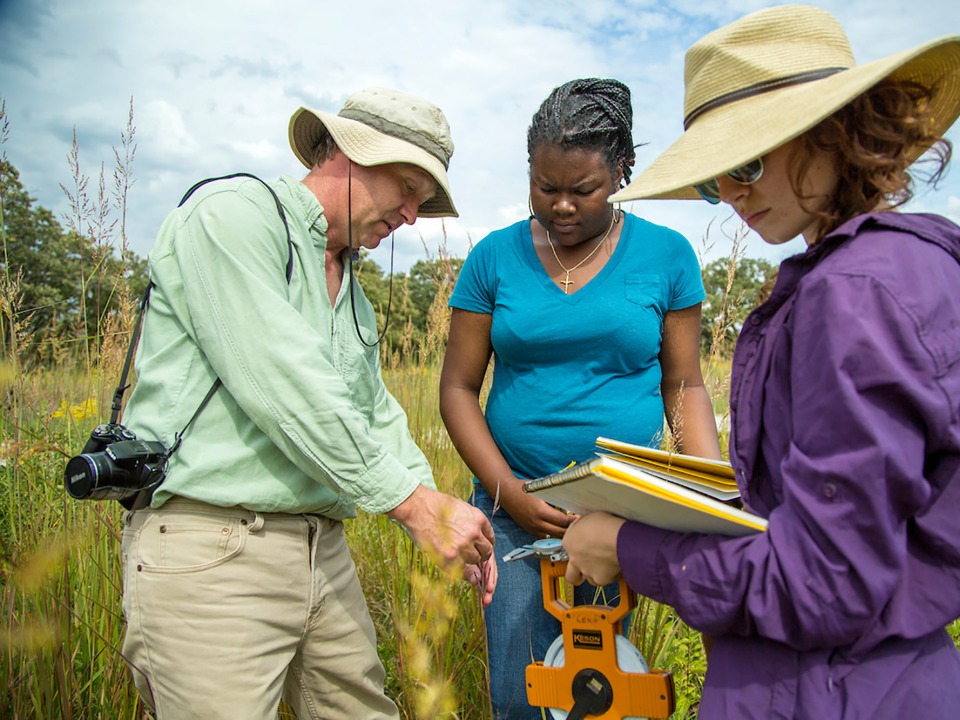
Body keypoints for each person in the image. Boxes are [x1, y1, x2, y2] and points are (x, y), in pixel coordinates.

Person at [562, 6, 960, 719]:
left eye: (746, 162)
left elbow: (824, 586)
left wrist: (628, 544)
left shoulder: (851, 295)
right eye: (715, 181)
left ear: (837, 130)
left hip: (825, 689)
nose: (734, 196)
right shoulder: (919, 269)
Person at [118, 87, 497, 720]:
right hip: (212, 549)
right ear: (349, 152)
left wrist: (438, 514)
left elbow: (376, 416)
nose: (410, 215)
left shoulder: (354, 292)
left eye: (421, 202)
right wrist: (413, 506)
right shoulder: (233, 215)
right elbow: (282, 383)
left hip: (324, 551)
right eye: (406, 188)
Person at [439, 78, 721, 718]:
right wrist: (508, 491)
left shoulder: (667, 256)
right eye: (546, 187)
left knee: (597, 689)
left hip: (617, 508)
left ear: (620, 173)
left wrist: (709, 492)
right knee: (520, 687)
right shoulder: (493, 259)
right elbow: (457, 388)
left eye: (582, 190)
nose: (561, 206)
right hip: (515, 506)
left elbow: (684, 384)